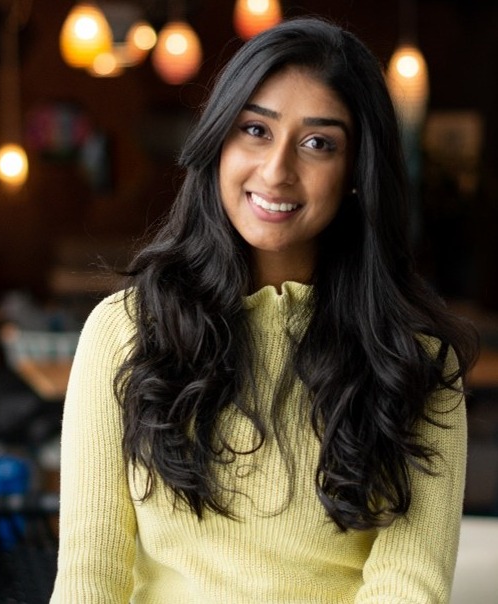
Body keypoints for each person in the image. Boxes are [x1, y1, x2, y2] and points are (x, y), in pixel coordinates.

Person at [50, 17, 478, 603]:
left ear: (357, 172)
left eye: (318, 143)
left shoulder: (418, 363)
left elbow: (409, 585)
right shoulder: (125, 331)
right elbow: (89, 576)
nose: (277, 170)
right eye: (255, 130)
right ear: (219, 141)